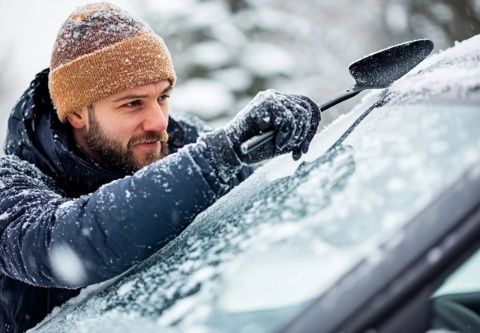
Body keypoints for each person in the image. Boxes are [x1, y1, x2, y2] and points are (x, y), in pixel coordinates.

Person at [0, 2, 320, 332]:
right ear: (77, 114)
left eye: (163, 97)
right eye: (132, 103)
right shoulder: (11, 188)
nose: (158, 121)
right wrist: (219, 157)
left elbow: (272, 212)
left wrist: (292, 151)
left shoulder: (180, 144)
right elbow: (69, 244)